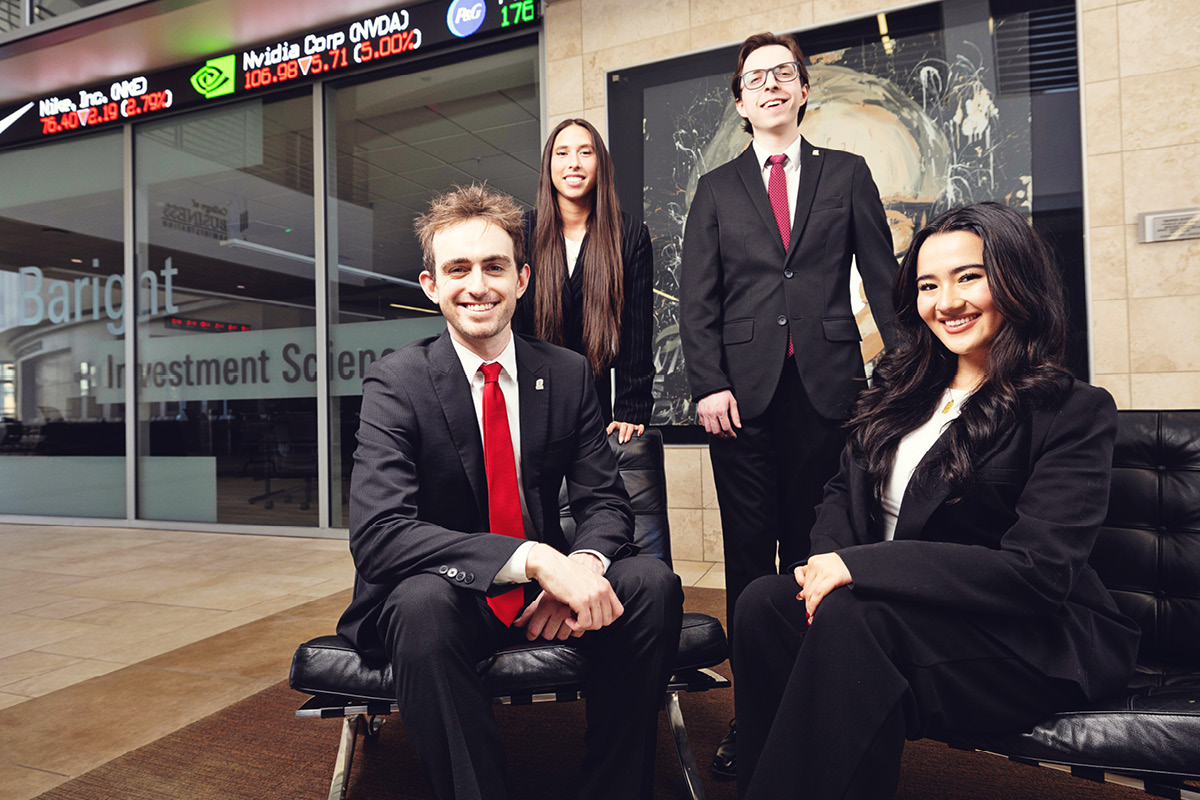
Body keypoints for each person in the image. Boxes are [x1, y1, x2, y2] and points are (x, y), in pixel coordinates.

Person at [732, 202, 1141, 799]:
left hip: (1028, 639)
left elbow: (1039, 574)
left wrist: (858, 569)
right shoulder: (901, 391)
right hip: (896, 620)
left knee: (854, 620)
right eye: (929, 285)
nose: (947, 302)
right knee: (765, 603)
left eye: (969, 277)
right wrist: (826, 568)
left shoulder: (1072, 409)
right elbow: (842, 494)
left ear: (1015, 279)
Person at [336, 185, 683, 800]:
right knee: (419, 604)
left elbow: (605, 503)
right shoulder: (397, 382)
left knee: (652, 584)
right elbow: (380, 536)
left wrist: (579, 565)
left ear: (522, 279)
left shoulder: (569, 373)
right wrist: (535, 559)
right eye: (458, 269)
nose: (478, 285)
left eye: (495, 267)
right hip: (444, 594)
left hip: (543, 592)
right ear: (430, 285)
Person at [679, 32, 898, 776]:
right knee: (748, 566)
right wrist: (708, 382)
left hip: (830, 394)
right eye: (755, 77)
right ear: (740, 101)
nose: (770, 85)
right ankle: (756, 718)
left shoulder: (848, 175)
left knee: (818, 558)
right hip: (738, 401)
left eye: (782, 74)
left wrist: (906, 379)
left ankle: (819, 711)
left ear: (804, 90)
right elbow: (697, 300)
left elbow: (885, 282)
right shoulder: (715, 190)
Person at [514, 118, 654, 444]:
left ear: (600, 164)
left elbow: (637, 331)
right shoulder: (521, 232)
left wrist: (631, 410)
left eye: (585, 152)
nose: (573, 163)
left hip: (597, 408)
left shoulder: (629, 235)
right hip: (530, 404)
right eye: (562, 153)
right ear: (549, 165)